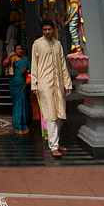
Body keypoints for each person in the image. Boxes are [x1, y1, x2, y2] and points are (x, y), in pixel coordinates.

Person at [30, 20, 72, 157]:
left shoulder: (58, 44)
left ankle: (57, 143)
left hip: (58, 83)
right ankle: (53, 146)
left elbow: (63, 64)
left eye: (49, 29)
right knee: (50, 114)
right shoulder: (37, 44)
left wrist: (67, 83)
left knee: (59, 112)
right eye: (45, 29)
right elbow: (34, 65)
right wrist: (34, 84)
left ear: (53, 29)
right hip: (44, 83)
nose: (47, 32)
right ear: (42, 30)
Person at [3, 43, 31, 136]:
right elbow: (4, 64)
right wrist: (10, 55)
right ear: (15, 50)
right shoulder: (13, 58)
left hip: (22, 83)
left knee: (23, 103)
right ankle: (17, 126)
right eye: (18, 49)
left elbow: (31, 71)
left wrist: (26, 71)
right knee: (16, 104)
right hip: (14, 84)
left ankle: (24, 124)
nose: (20, 50)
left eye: (21, 49)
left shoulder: (26, 59)